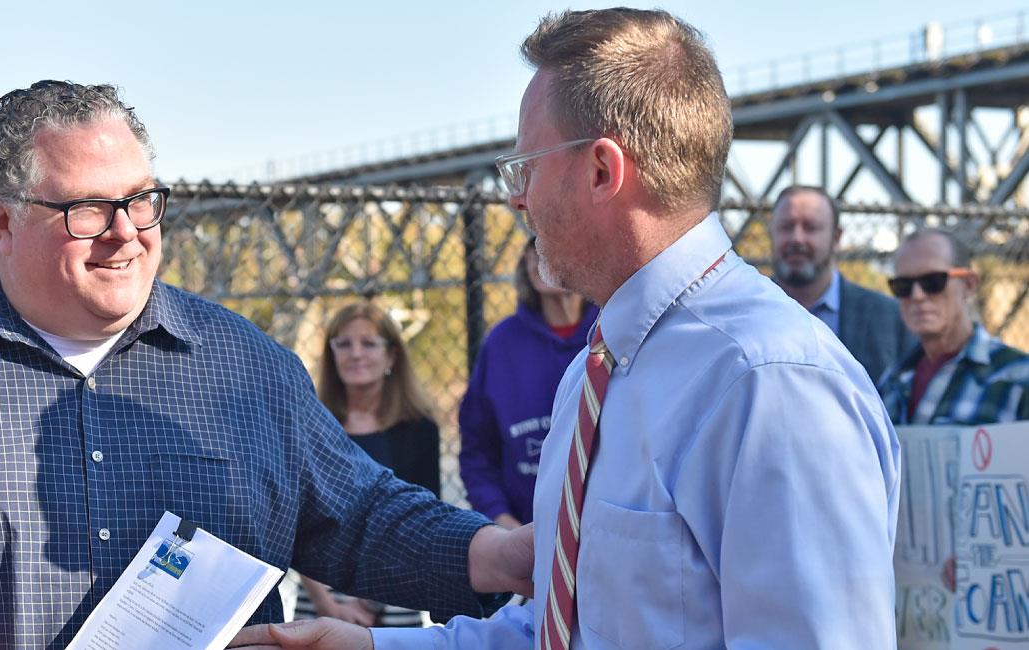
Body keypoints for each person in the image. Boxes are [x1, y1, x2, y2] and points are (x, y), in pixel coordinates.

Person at [0, 80, 532, 649]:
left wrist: (501, 556)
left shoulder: (244, 364)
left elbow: (357, 516)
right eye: (87, 209)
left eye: (142, 200)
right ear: (0, 220)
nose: (127, 234)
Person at [231, 8, 899, 650]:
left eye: (527, 167)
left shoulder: (770, 383)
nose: (516, 198)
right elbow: (558, 631)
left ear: (602, 170)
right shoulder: (597, 369)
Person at [293, 303, 440, 627]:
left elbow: (423, 519)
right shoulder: (311, 423)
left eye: (369, 343)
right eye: (343, 344)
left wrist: (372, 602)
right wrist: (327, 604)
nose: (355, 353)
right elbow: (298, 521)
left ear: (391, 356)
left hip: (396, 588)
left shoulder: (419, 429)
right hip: (320, 592)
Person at [458, 237, 597, 528]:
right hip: (521, 534)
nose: (539, 257)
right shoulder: (501, 344)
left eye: (551, 242)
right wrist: (505, 525)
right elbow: (477, 452)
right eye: (532, 251)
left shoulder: (612, 332)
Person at [876, 228, 1028, 424]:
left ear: (969, 284)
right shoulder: (891, 383)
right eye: (903, 286)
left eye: (933, 282)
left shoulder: (1019, 378)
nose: (917, 296)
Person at [771, 185, 914, 384]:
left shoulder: (891, 318)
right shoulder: (742, 312)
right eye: (786, 227)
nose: (797, 238)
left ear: (836, 238)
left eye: (811, 227)